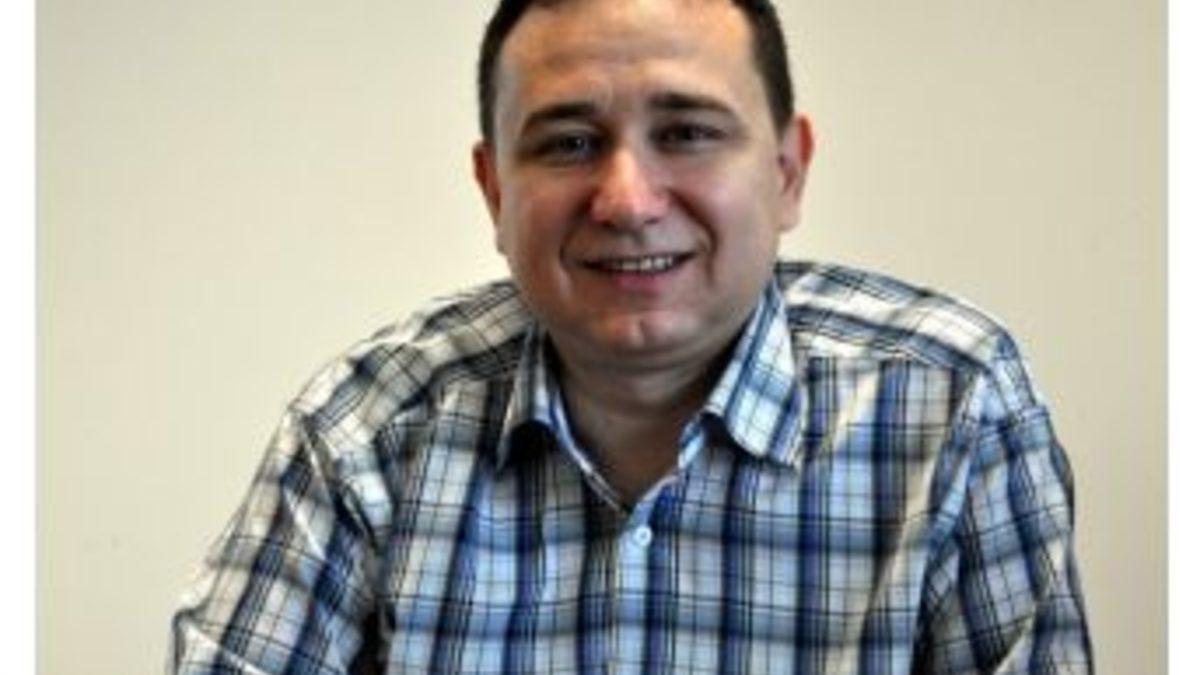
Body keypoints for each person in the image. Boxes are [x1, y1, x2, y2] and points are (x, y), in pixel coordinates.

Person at [168, 0, 1093, 672]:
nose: (627, 200)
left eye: (686, 132)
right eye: (568, 143)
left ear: (786, 172)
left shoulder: (952, 405)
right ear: (495, 190)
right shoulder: (365, 428)